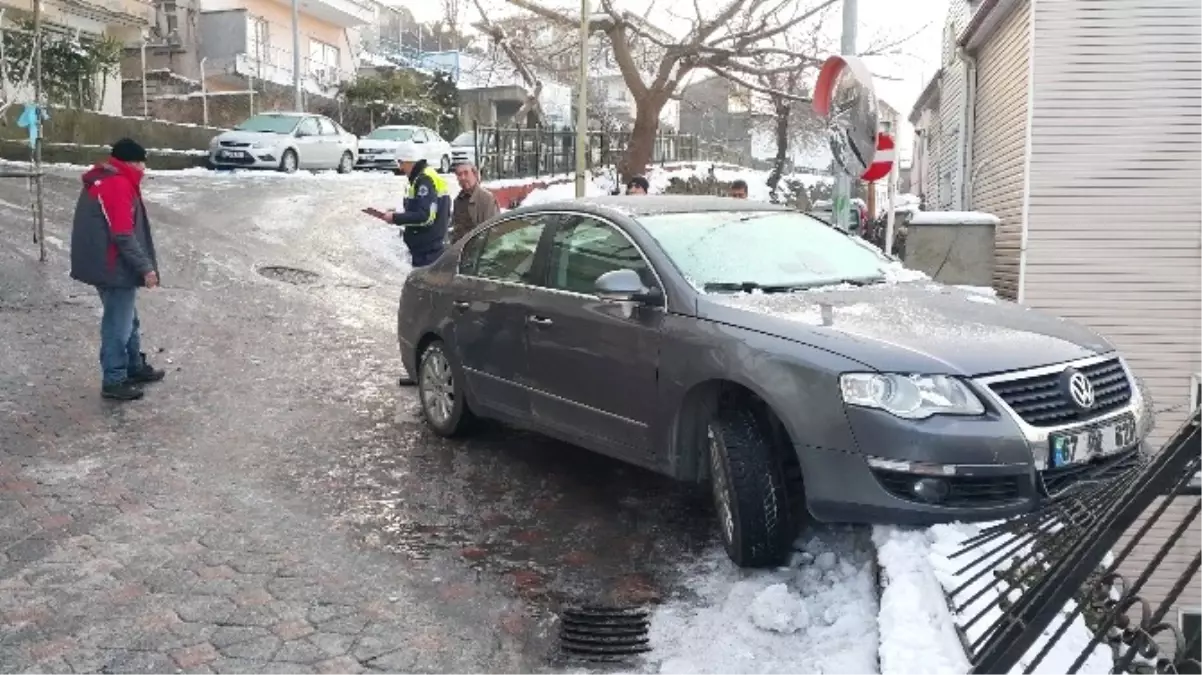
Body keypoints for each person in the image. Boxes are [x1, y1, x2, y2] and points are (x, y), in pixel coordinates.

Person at [69, 138, 165, 401]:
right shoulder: (117, 184)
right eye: (141, 162)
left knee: (128, 319)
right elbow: (123, 233)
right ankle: (114, 379)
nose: (144, 168)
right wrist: (146, 268)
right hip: (113, 267)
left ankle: (133, 367)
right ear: (130, 162)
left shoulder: (109, 179)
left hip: (106, 263)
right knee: (118, 324)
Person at [384, 147, 451, 269]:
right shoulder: (425, 177)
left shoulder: (424, 180)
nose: (400, 168)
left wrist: (395, 218)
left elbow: (424, 216)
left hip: (428, 252)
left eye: (401, 163)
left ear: (410, 161)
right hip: (428, 248)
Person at [449, 161, 499, 244]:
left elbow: (492, 230)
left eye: (466, 173)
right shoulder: (457, 200)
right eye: (459, 174)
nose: (462, 177)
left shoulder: (486, 198)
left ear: (475, 175)